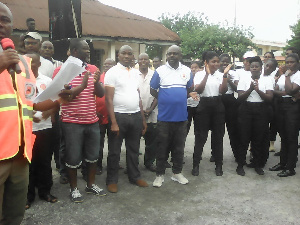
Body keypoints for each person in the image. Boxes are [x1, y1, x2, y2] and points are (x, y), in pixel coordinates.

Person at [0, 3, 62, 224]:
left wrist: (61, 98)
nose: (1, 24)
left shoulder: (24, 63)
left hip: (20, 153)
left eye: (5, 20)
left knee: (14, 216)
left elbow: (32, 103)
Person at [59, 38, 106, 202]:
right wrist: (84, 85)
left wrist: (97, 81)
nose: (89, 52)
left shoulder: (92, 69)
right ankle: (74, 189)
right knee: (73, 158)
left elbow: (100, 94)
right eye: (85, 49)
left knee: (93, 156)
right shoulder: (63, 70)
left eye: (89, 49)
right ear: (74, 51)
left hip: (92, 121)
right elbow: (64, 97)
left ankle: (90, 185)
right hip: (72, 123)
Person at [105, 45, 148, 193]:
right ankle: (111, 180)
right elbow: (109, 99)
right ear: (118, 55)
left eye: (130, 54)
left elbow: (138, 98)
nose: (127, 56)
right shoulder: (112, 72)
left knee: (134, 149)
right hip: (118, 116)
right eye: (124, 53)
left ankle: (134, 176)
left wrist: (142, 119)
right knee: (114, 151)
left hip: (135, 115)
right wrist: (114, 122)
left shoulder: (136, 73)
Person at [151, 45, 193, 187]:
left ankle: (177, 173)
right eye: (169, 54)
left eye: (175, 53)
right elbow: (152, 89)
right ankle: (159, 175)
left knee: (179, 148)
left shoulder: (187, 71)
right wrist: (164, 99)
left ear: (180, 55)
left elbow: (189, 88)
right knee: (162, 148)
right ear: (166, 56)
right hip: (164, 118)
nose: (172, 56)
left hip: (181, 118)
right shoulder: (159, 71)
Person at [25, 53, 57, 209]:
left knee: (44, 161)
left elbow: (56, 101)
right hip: (27, 129)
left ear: (39, 64)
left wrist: (47, 113)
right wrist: (30, 115)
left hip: (45, 128)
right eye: (27, 62)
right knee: (28, 163)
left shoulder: (47, 81)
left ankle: (45, 192)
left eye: (33, 62)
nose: (30, 65)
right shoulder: (20, 80)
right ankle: (28, 196)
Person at [192, 51, 230, 177]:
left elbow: (222, 91)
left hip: (218, 106)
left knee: (218, 137)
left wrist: (225, 77)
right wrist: (207, 76)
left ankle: (218, 165)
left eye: (217, 61)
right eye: (213, 61)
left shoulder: (220, 75)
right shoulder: (199, 74)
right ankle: (196, 165)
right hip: (204, 106)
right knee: (200, 137)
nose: (216, 64)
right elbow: (198, 90)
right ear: (206, 63)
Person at [236, 56, 274, 176]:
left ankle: (257, 164)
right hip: (246, 109)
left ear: (261, 68)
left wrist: (258, 90)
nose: (254, 68)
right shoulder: (244, 79)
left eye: (256, 66)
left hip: (261, 110)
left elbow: (269, 99)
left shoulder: (267, 80)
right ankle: (240, 165)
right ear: (249, 68)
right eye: (252, 66)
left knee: (258, 139)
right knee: (244, 138)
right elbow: (240, 98)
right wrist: (250, 89)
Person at [269, 53, 300, 177]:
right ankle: (282, 163)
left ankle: (290, 167)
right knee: (283, 136)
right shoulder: (283, 75)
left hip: (293, 108)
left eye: (291, 62)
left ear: (297, 63)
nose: (289, 64)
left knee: (291, 137)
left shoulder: (297, 75)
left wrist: (287, 77)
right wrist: (285, 93)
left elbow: (291, 90)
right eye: (287, 62)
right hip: (281, 105)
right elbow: (275, 90)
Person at [95, 58, 116, 175]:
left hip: (113, 116)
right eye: (105, 64)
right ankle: (98, 166)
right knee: (99, 143)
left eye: (110, 64)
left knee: (114, 143)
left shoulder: (117, 77)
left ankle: (113, 165)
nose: (107, 66)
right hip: (100, 115)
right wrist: (94, 110)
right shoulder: (98, 78)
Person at [138, 53, 158, 172]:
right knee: (134, 141)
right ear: (138, 61)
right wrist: (141, 111)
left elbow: (159, 94)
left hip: (152, 112)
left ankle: (149, 162)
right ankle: (133, 163)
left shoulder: (155, 75)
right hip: (136, 113)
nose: (144, 61)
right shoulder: (133, 75)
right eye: (141, 59)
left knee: (152, 142)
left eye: (146, 59)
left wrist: (150, 109)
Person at [218, 54, 239, 161]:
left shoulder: (234, 73)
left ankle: (237, 154)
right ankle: (216, 154)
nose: (225, 63)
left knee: (233, 129)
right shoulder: (215, 73)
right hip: (218, 101)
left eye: (227, 61)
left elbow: (237, 89)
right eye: (223, 61)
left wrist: (228, 79)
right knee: (218, 130)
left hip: (230, 101)